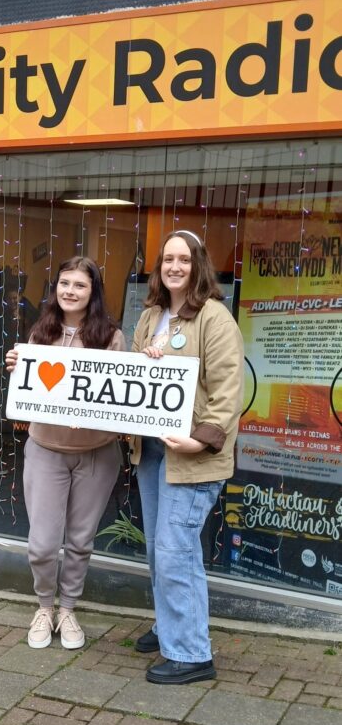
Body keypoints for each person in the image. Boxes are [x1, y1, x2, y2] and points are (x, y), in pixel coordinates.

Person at [130, 229, 244, 685]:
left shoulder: (214, 318)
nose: (175, 267)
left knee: (176, 550)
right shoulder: (151, 314)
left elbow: (227, 391)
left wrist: (202, 439)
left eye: (184, 259)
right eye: (167, 259)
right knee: (161, 550)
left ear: (198, 265)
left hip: (191, 456)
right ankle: (170, 624)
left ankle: (192, 653)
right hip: (154, 450)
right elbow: (134, 376)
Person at [6, 256, 125, 651]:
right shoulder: (40, 333)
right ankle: (44, 605)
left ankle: (68, 608)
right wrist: (15, 368)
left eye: (80, 285)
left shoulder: (111, 336)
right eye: (64, 283)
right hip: (46, 451)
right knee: (41, 544)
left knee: (80, 541)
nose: (70, 291)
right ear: (55, 288)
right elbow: (31, 389)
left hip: (96, 453)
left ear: (93, 293)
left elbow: (121, 398)